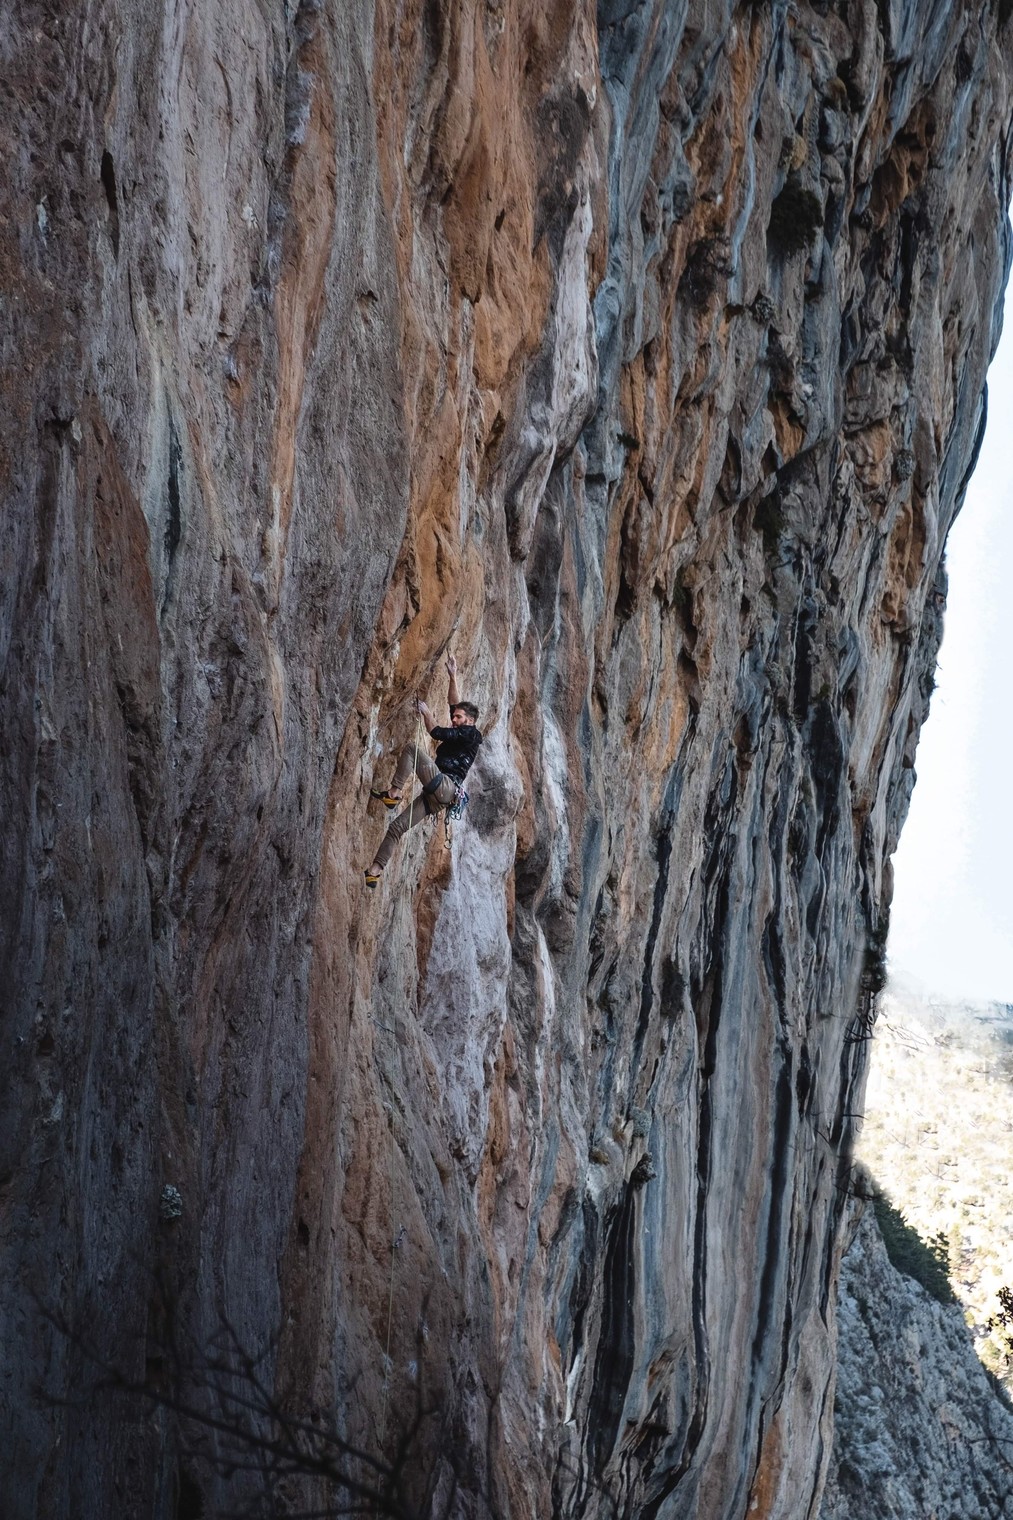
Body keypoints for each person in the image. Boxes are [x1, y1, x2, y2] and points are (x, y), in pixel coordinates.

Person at [364, 656, 483, 886]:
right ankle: (374, 872)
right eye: (454, 717)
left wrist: (426, 712)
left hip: (446, 785)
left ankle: (394, 793)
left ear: (470, 720)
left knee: (412, 749)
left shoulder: (471, 733)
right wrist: (452, 676)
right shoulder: (464, 730)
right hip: (439, 797)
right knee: (396, 828)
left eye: (458, 718)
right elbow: (455, 705)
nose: (453, 719)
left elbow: (436, 732)